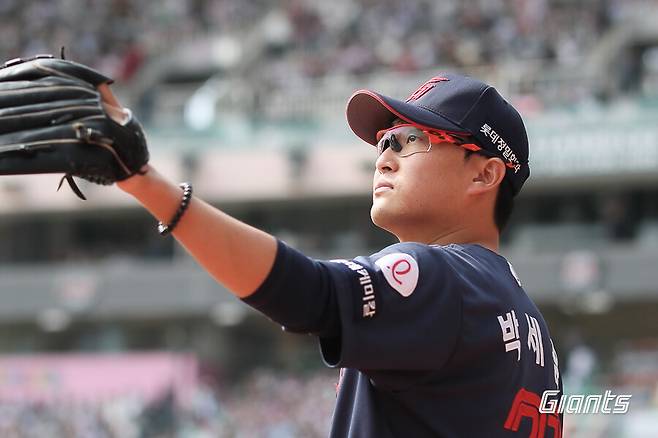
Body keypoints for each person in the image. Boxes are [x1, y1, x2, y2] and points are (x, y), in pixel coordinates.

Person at [116, 74, 563, 437]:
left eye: (410, 139)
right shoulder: (531, 326)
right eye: (383, 141)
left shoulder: (441, 276)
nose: (383, 159)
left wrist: (146, 184)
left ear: (484, 175)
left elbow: (310, 294)